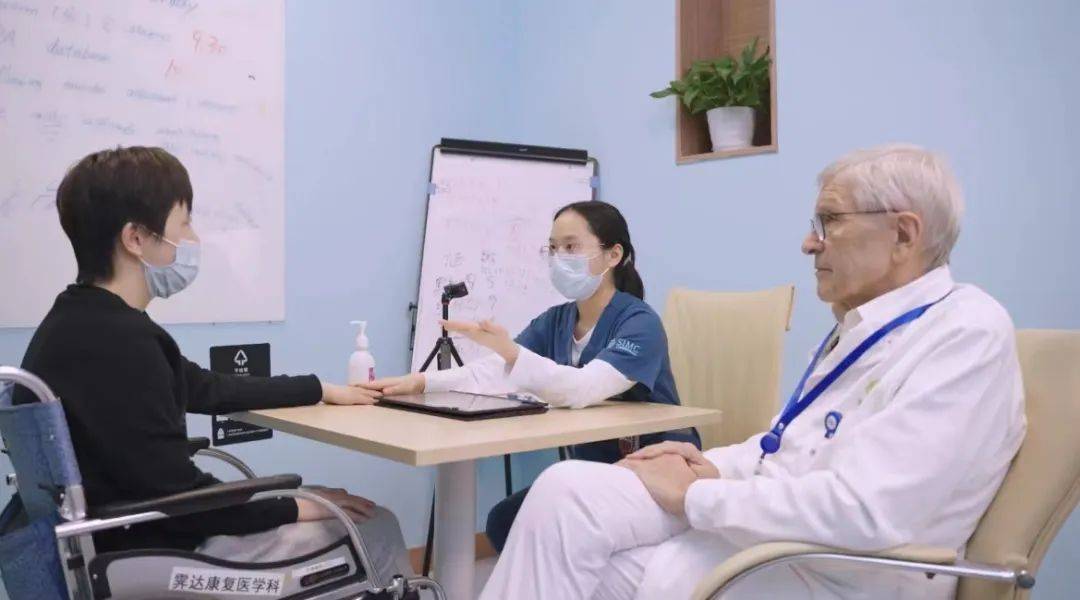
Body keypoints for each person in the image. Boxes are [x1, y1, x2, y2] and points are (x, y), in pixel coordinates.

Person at [479, 144, 1027, 600]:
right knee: (562, 491)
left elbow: (866, 511)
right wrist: (705, 463)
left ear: (904, 234)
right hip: (767, 534)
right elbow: (786, 448)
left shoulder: (966, 332)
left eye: (830, 222)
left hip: (828, 571)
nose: (809, 242)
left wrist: (695, 495)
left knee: (572, 556)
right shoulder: (859, 327)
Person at [12, 146, 412, 582]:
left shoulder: (75, 323)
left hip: (116, 540)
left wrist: (321, 389)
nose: (193, 238)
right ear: (136, 238)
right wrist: (297, 505)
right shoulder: (121, 343)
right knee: (374, 525)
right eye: (183, 222)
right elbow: (181, 501)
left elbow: (206, 387)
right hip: (156, 551)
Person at [368, 200, 700, 552]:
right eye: (552, 248)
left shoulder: (639, 323)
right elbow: (497, 371)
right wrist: (421, 383)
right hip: (596, 469)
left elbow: (584, 388)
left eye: (571, 247)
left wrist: (511, 352)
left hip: (657, 471)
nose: (558, 258)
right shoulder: (556, 321)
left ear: (613, 255)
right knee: (505, 522)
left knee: (537, 526)